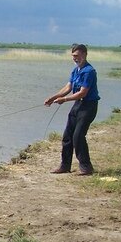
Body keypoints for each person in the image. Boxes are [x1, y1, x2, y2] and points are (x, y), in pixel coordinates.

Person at [44, 43, 100, 175]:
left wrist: (64, 100)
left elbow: (82, 93)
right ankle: (65, 166)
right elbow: (68, 88)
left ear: (85, 55)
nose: (75, 58)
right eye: (73, 56)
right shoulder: (76, 70)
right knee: (67, 136)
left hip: (88, 106)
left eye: (77, 56)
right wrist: (53, 98)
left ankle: (86, 168)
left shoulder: (89, 71)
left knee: (78, 136)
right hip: (78, 105)